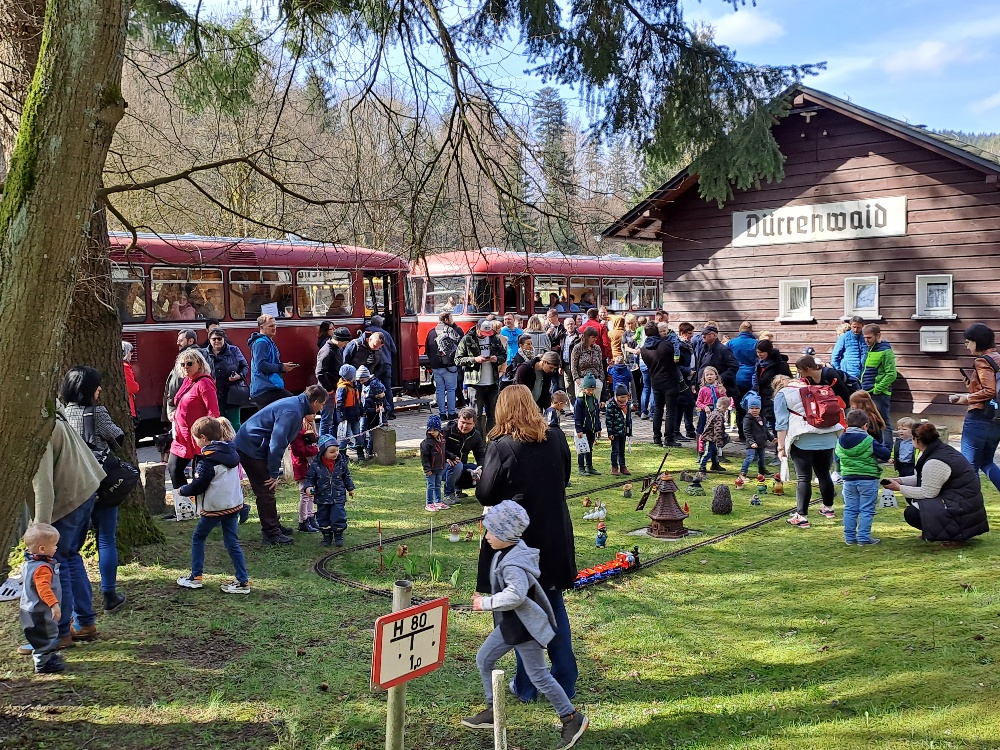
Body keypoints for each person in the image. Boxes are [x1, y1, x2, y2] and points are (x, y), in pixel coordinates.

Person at [475, 385, 577, 704]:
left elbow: (486, 494)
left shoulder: (502, 446)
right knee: (553, 607)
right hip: (555, 533)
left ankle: (528, 685)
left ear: (502, 411)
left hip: (520, 541)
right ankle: (564, 680)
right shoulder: (557, 438)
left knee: (522, 611)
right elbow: (564, 478)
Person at [463, 500, 589, 749]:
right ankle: (492, 710)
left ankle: (571, 718)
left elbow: (515, 596)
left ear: (506, 535)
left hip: (526, 628)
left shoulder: (512, 564)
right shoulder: (509, 550)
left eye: (491, 531)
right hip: (512, 624)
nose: (487, 536)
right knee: (484, 659)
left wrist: (485, 603)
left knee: (539, 676)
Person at [60, 367, 128, 615]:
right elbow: (117, 436)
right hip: (102, 481)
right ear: (87, 389)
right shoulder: (98, 412)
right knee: (106, 537)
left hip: (75, 485)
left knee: (73, 548)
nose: (100, 389)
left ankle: (78, 604)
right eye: (97, 385)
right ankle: (109, 594)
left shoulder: (63, 413)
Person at [234, 385, 328, 545]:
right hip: (250, 447)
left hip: (254, 444)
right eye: (323, 404)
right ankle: (271, 534)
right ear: (316, 402)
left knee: (267, 490)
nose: (323, 407)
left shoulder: (296, 406)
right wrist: (273, 473)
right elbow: (277, 443)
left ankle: (274, 525)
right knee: (266, 489)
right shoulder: (292, 411)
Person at [175, 417, 251, 593]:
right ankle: (242, 581)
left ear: (203, 438)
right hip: (233, 505)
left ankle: (196, 577)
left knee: (198, 538)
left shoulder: (207, 461)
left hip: (214, 508)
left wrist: (183, 490)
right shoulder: (231, 453)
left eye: (195, 439)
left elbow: (198, 485)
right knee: (232, 542)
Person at [884, 423, 989, 544]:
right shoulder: (940, 450)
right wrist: (900, 480)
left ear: (917, 439)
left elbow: (928, 492)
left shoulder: (935, 461)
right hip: (965, 505)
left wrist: (899, 488)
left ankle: (953, 535)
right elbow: (922, 478)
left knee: (912, 513)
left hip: (961, 509)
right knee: (913, 500)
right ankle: (941, 532)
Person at [775, 360, 844, 529]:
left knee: (803, 478)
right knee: (824, 474)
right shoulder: (814, 388)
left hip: (803, 437)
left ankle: (802, 516)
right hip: (828, 435)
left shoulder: (783, 394)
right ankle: (828, 508)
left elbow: (781, 424)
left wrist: (781, 447)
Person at [948, 322, 1000, 492]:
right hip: (996, 419)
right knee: (986, 462)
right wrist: (971, 385)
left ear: (977, 342)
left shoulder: (982, 361)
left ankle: (971, 507)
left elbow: (990, 390)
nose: (967, 345)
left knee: (968, 467)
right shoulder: (997, 358)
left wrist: (966, 398)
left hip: (979, 418)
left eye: (968, 342)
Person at [168, 349, 220, 493]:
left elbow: (213, 411)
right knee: (173, 468)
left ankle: (200, 504)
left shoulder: (205, 383)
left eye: (189, 363)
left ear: (199, 364)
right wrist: (174, 413)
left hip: (198, 437)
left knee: (199, 475)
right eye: (183, 364)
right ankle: (184, 505)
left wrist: (207, 436)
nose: (186, 367)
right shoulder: (187, 381)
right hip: (182, 436)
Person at [836, 410, 891, 545]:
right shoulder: (868, 440)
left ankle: (849, 538)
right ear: (865, 426)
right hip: (868, 478)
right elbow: (885, 454)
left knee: (850, 508)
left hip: (848, 479)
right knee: (866, 509)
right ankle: (863, 538)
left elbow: (837, 458)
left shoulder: (840, 440)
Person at [19, 523, 66, 674]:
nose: (56, 548)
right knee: (47, 636)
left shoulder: (29, 563)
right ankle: (43, 664)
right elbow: (43, 589)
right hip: (40, 610)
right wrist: (54, 605)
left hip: (27, 608)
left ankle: (47, 657)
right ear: (42, 549)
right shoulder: (42, 568)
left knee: (39, 637)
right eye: (54, 545)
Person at [456, 319, 507, 432]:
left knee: (493, 415)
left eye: (488, 334)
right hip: (475, 383)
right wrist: (474, 359)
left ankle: (493, 441)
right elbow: (457, 360)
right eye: (483, 333)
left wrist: (497, 359)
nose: (486, 336)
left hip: (492, 382)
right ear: (477, 328)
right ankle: (479, 442)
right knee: (476, 415)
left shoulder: (495, 338)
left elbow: (504, 355)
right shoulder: (467, 339)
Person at [305, 435, 356, 547]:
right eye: (332, 452)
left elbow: (346, 476)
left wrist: (350, 488)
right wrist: (308, 487)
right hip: (322, 497)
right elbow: (309, 478)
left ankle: (338, 535)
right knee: (323, 517)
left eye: (337, 450)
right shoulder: (315, 465)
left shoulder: (341, 462)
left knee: (338, 516)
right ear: (323, 452)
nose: (336, 453)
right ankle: (326, 536)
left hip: (338, 496)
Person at [640, 322, 682, 448]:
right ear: (658, 332)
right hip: (670, 379)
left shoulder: (643, 349)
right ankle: (669, 438)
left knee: (658, 410)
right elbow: (680, 359)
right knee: (670, 411)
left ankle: (656, 438)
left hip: (655, 380)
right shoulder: (666, 345)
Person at [204, 328, 249, 429]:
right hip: (213, 394)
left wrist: (239, 375)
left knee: (234, 423)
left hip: (232, 393)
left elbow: (245, 366)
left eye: (219, 339)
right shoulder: (204, 354)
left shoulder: (234, 350)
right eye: (214, 339)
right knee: (217, 424)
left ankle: (237, 444)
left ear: (224, 339)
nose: (216, 341)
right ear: (209, 340)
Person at [860, 323, 897, 448]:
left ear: (878, 335)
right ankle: (875, 447)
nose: (866, 340)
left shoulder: (886, 351)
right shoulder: (869, 349)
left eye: (869, 337)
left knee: (883, 421)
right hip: (866, 391)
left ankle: (887, 448)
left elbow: (891, 374)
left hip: (879, 393)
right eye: (864, 337)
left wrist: (877, 389)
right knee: (870, 421)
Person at [249, 314, 298, 408]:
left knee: (268, 420)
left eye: (275, 325)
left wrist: (283, 368)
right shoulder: (261, 343)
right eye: (271, 326)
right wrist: (281, 367)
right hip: (265, 388)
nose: (274, 328)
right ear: (261, 327)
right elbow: (261, 365)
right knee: (294, 403)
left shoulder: (266, 341)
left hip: (266, 388)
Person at [443, 408, 487, 504]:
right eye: (462, 422)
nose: (464, 426)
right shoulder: (447, 431)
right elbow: (436, 448)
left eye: (468, 424)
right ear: (458, 420)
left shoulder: (476, 436)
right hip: (442, 466)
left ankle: (459, 489)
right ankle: (448, 495)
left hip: (461, 467)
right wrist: (448, 457)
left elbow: (480, 455)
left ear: (474, 423)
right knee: (456, 464)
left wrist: (480, 468)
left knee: (477, 470)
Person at [163, 329, 208, 423]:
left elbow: (176, 383)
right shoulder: (200, 355)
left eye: (181, 340)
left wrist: (171, 406)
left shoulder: (188, 356)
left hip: (185, 407)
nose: (178, 343)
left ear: (190, 341)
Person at [426, 311, 464, 420]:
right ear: (446, 320)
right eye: (451, 318)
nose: (453, 320)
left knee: (439, 389)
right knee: (451, 390)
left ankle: (442, 414)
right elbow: (461, 345)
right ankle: (452, 413)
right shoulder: (453, 331)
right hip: (450, 366)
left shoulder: (431, 332)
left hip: (436, 366)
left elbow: (427, 349)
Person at [316, 326, 353, 435]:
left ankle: (331, 442)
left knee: (333, 420)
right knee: (327, 420)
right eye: (345, 342)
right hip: (328, 390)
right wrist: (329, 389)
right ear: (339, 340)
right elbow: (320, 372)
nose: (345, 345)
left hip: (333, 388)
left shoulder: (335, 349)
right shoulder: (327, 351)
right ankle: (324, 444)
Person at [727, 322, 758, 442]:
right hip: (751, 379)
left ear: (740, 331)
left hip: (736, 379)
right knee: (753, 407)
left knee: (739, 408)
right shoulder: (756, 343)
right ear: (751, 331)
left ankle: (742, 434)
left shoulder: (731, 343)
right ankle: (753, 434)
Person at [752, 339, 792, 430]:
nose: (759, 355)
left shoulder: (779, 364)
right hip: (761, 394)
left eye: (761, 352)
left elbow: (787, 378)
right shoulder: (759, 362)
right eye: (757, 352)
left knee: (775, 419)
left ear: (768, 352)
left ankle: (779, 440)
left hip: (774, 395)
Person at [290, 418, 320, 533]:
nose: (314, 416)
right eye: (311, 414)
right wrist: (315, 449)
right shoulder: (297, 432)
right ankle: (303, 521)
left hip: (308, 466)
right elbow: (299, 451)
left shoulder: (307, 428)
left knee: (311, 493)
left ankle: (311, 517)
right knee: (305, 493)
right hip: (302, 466)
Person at [694, 325, 739, 402]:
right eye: (703, 334)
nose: (703, 336)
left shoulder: (723, 349)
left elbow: (734, 366)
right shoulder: (703, 349)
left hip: (719, 391)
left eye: (706, 334)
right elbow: (699, 367)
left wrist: (719, 379)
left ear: (714, 335)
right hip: (704, 389)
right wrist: (695, 383)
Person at [364, 315, 397, 417]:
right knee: (387, 387)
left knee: (374, 388)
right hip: (387, 363)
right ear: (381, 324)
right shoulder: (386, 334)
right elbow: (394, 349)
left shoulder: (368, 332)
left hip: (375, 365)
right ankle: (390, 411)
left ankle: (376, 411)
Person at [421, 415, 453, 512]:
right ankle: (429, 503)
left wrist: (451, 456)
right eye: (430, 430)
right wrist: (427, 469)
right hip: (431, 469)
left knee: (438, 485)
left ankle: (438, 501)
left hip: (440, 467)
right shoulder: (426, 443)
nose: (432, 432)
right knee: (431, 486)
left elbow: (443, 452)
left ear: (439, 430)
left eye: (434, 430)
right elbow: (424, 458)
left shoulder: (442, 440)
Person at [573, 374, 602, 476]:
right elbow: (577, 416)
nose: (590, 392)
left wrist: (598, 428)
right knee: (582, 449)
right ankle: (581, 467)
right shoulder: (580, 400)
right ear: (584, 388)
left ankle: (589, 466)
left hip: (592, 428)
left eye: (592, 389)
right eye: (588, 389)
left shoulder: (594, 399)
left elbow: (597, 415)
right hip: (583, 430)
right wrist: (579, 429)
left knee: (589, 448)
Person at [334, 364, 364, 460]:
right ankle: (342, 456)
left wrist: (361, 410)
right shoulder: (343, 388)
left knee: (358, 434)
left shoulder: (354, 385)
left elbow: (358, 401)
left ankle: (360, 454)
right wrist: (341, 416)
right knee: (345, 437)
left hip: (355, 415)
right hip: (346, 416)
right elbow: (339, 403)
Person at [740, 394, 772, 480]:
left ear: (760, 409)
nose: (754, 410)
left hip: (761, 442)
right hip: (752, 443)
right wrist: (751, 442)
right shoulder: (747, 419)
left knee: (762, 458)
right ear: (748, 409)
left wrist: (772, 438)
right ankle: (743, 473)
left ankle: (761, 471)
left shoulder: (762, 418)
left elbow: (765, 430)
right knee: (750, 457)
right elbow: (746, 432)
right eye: (752, 408)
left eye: (757, 408)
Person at [358, 365, 387, 459]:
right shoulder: (365, 388)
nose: (360, 382)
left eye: (362, 380)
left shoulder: (374, 386)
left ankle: (369, 450)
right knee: (362, 431)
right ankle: (364, 448)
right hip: (365, 414)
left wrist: (383, 410)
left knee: (371, 434)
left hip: (372, 418)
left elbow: (387, 405)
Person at [675, 323, 698, 439]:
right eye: (689, 333)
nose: (691, 335)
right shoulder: (678, 346)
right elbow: (676, 365)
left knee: (689, 404)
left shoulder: (690, 345)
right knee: (680, 405)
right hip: (681, 379)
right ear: (683, 333)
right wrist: (687, 371)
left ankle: (690, 430)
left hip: (689, 379)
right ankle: (676, 431)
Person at [571, 328, 605, 403]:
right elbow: (573, 365)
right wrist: (576, 378)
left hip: (596, 380)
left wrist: (601, 380)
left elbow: (600, 365)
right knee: (582, 404)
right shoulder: (578, 348)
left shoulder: (597, 348)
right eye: (593, 337)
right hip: (582, 379)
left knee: (595, 404)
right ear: (587, 337)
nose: (595, 339)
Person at [698, 396, 729, 476]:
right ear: (724, 407)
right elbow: (717, 430)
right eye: (726, 409)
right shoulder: (719, 416)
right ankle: (702, 468)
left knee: (714, 452)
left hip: (710, 436)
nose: (726, 410)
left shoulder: (714, 412)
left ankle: (715, 464)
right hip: (709, 438)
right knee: (707, 453)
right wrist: (719, 441)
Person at [605, 384, 633, 476]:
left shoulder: (627, 405)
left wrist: (629, 431)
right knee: (615, 450)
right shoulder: (611, 405)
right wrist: (610, 432)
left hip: (623, 432)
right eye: (622, 397)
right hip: (615, 432)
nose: (624, 399)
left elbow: (629, 419)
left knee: (622, 450)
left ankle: (623, 466)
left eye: (625, 397)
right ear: (616, 397)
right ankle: (614, 467)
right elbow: (609, 420)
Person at [695, 366, 727, 438]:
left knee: (717, 427)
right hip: (706, 411)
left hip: (717, 410)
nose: (709, 376)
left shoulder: (719, 388)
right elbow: (698, 402)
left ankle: (717, 443)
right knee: (702, 426)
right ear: (704, 377)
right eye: (707, 375)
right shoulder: (703, 389)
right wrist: (705, 407)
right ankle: (700, 443)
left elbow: (724, 400)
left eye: (711, 374)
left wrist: (722, 392)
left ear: (716, 376)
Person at [559, 317, 580, 401]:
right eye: (568, 324)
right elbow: (559, 350)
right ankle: (573, 407)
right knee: (568, 386)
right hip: (566, 365)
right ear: (564, 326)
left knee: (578, 386)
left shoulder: (579, 336)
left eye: (572, 324)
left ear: (574, 325)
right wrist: (560, 365)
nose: (570, 326)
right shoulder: (562, 336)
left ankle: (579, 406)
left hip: (577, 365)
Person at [122, 341, 139, 426]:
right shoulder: (125, 367)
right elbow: (132, 388)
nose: (131, 354)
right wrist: (137, 385)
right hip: (128, 406)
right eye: (129, 352)